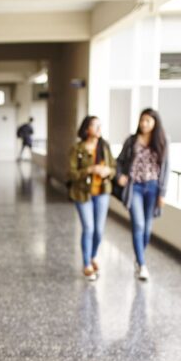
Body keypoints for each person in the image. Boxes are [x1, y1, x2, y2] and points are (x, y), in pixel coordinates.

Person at [115, 109, 169, 281]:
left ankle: (139, 257)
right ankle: (141, 263)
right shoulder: (131, 141)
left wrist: (163, 193)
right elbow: (119, 161)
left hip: (153, 188)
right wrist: (119, 176)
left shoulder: (161, 141)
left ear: (155, 122)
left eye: (148, 120)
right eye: (142, 120)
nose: (144, 123)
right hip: (135, 187)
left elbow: (166, 168)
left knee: (147, 228)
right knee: (138, 224)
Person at [67, 116, 115, 282]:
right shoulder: (78, 148)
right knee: (88, 228)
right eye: (95, 125)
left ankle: (93, 255)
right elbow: (71, 173)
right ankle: (86, 264)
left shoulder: (105, 146)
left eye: (101, 125)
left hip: (102, 192)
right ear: (87, 128)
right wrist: (90, 170)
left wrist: (107, 171)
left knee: (99, 230)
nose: (99, 128)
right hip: (82, 193)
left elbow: (114, 168)